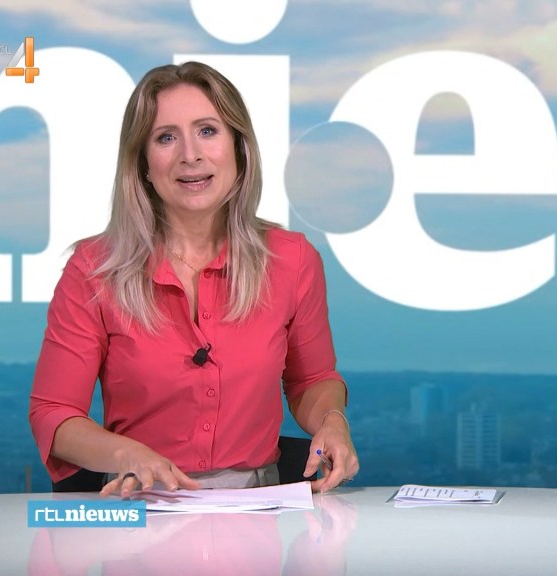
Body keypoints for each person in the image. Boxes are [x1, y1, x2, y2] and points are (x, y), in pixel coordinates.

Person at [29, 61, 358, 496]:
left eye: (207, 131)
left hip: (258, 508)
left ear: (239, 148)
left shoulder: (292, 259)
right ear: (143, 163)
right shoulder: (94, 268)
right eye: (166, 137)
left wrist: (333, 421)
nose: (190, 155)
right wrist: (127, 454)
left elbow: (311, 379)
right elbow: (53, 412)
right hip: (139, 503)